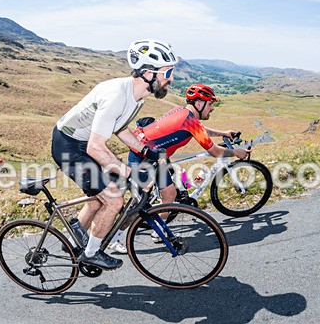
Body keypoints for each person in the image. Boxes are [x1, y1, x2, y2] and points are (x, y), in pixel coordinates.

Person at [51, 38, 175, 270]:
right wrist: (129, 172)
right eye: (167, 72)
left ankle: (71, 241)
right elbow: (95, 148)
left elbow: (120, 127)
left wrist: (145, 149)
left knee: (100, 198)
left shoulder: (137, 96)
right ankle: (91, 253)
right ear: (148, 73)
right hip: (69, 145)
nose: (171, 78)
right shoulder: (116, 95)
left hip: (84, 144)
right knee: (114, 199)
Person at [106, 83, 249, 253]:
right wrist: (236, 152)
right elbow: (215, 151)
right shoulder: (189, 120)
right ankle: (112, 238)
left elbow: (199, 129)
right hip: (142, 157)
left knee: (169, 194)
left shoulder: (183, 112)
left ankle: (158, 231)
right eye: (210, 104)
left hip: (155, 156)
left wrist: (223, 133)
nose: (212, 109)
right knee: (141, 203)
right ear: (199, 103)